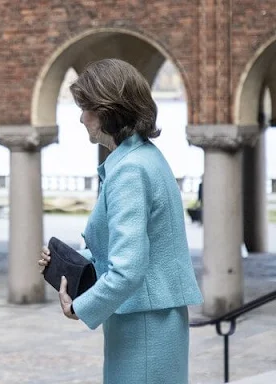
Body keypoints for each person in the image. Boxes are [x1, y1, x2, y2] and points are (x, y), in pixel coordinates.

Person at [38, 58, 203, 384]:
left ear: (108, 110)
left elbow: (128, 268)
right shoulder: (143, 156)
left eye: (86, 108)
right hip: (149, 320)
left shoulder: (129, 170)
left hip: (144, 326)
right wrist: (71, 263)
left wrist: (79, 307)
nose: (81, 117)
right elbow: (133, 250)